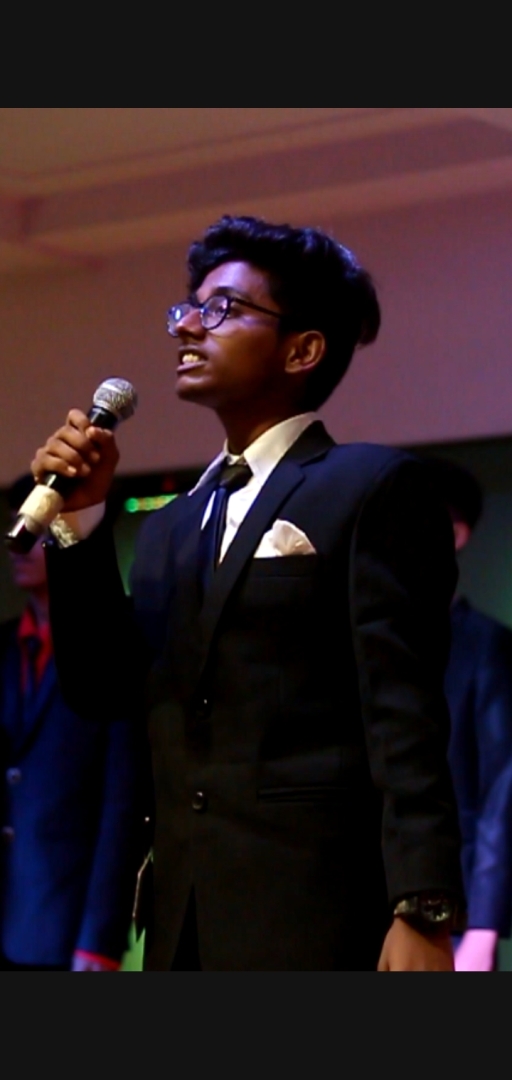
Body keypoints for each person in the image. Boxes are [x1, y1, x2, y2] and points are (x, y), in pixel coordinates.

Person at [32, 214, 464, 971]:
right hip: (185, 923)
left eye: (223, 308)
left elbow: (405, 715)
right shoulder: (171, 527)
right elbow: (103, 687)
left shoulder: (371, 486)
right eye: (188, 307)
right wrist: (80, 523)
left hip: (321, 915)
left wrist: (422, 906)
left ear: (302, 349)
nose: (188, 326)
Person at [0, 474, 147, 971]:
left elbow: (122, 801)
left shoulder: (106, 651)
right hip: (9, 908)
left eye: (35, 526)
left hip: (70, 919)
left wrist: (100, 936)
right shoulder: (5, 647)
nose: (19, 544)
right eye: (17, 524)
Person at [424, 457, 512, 972]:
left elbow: (503, 788)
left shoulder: (485, 646)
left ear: (455, 535)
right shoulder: (363, 641)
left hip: (452, 909)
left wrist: (482, 926)